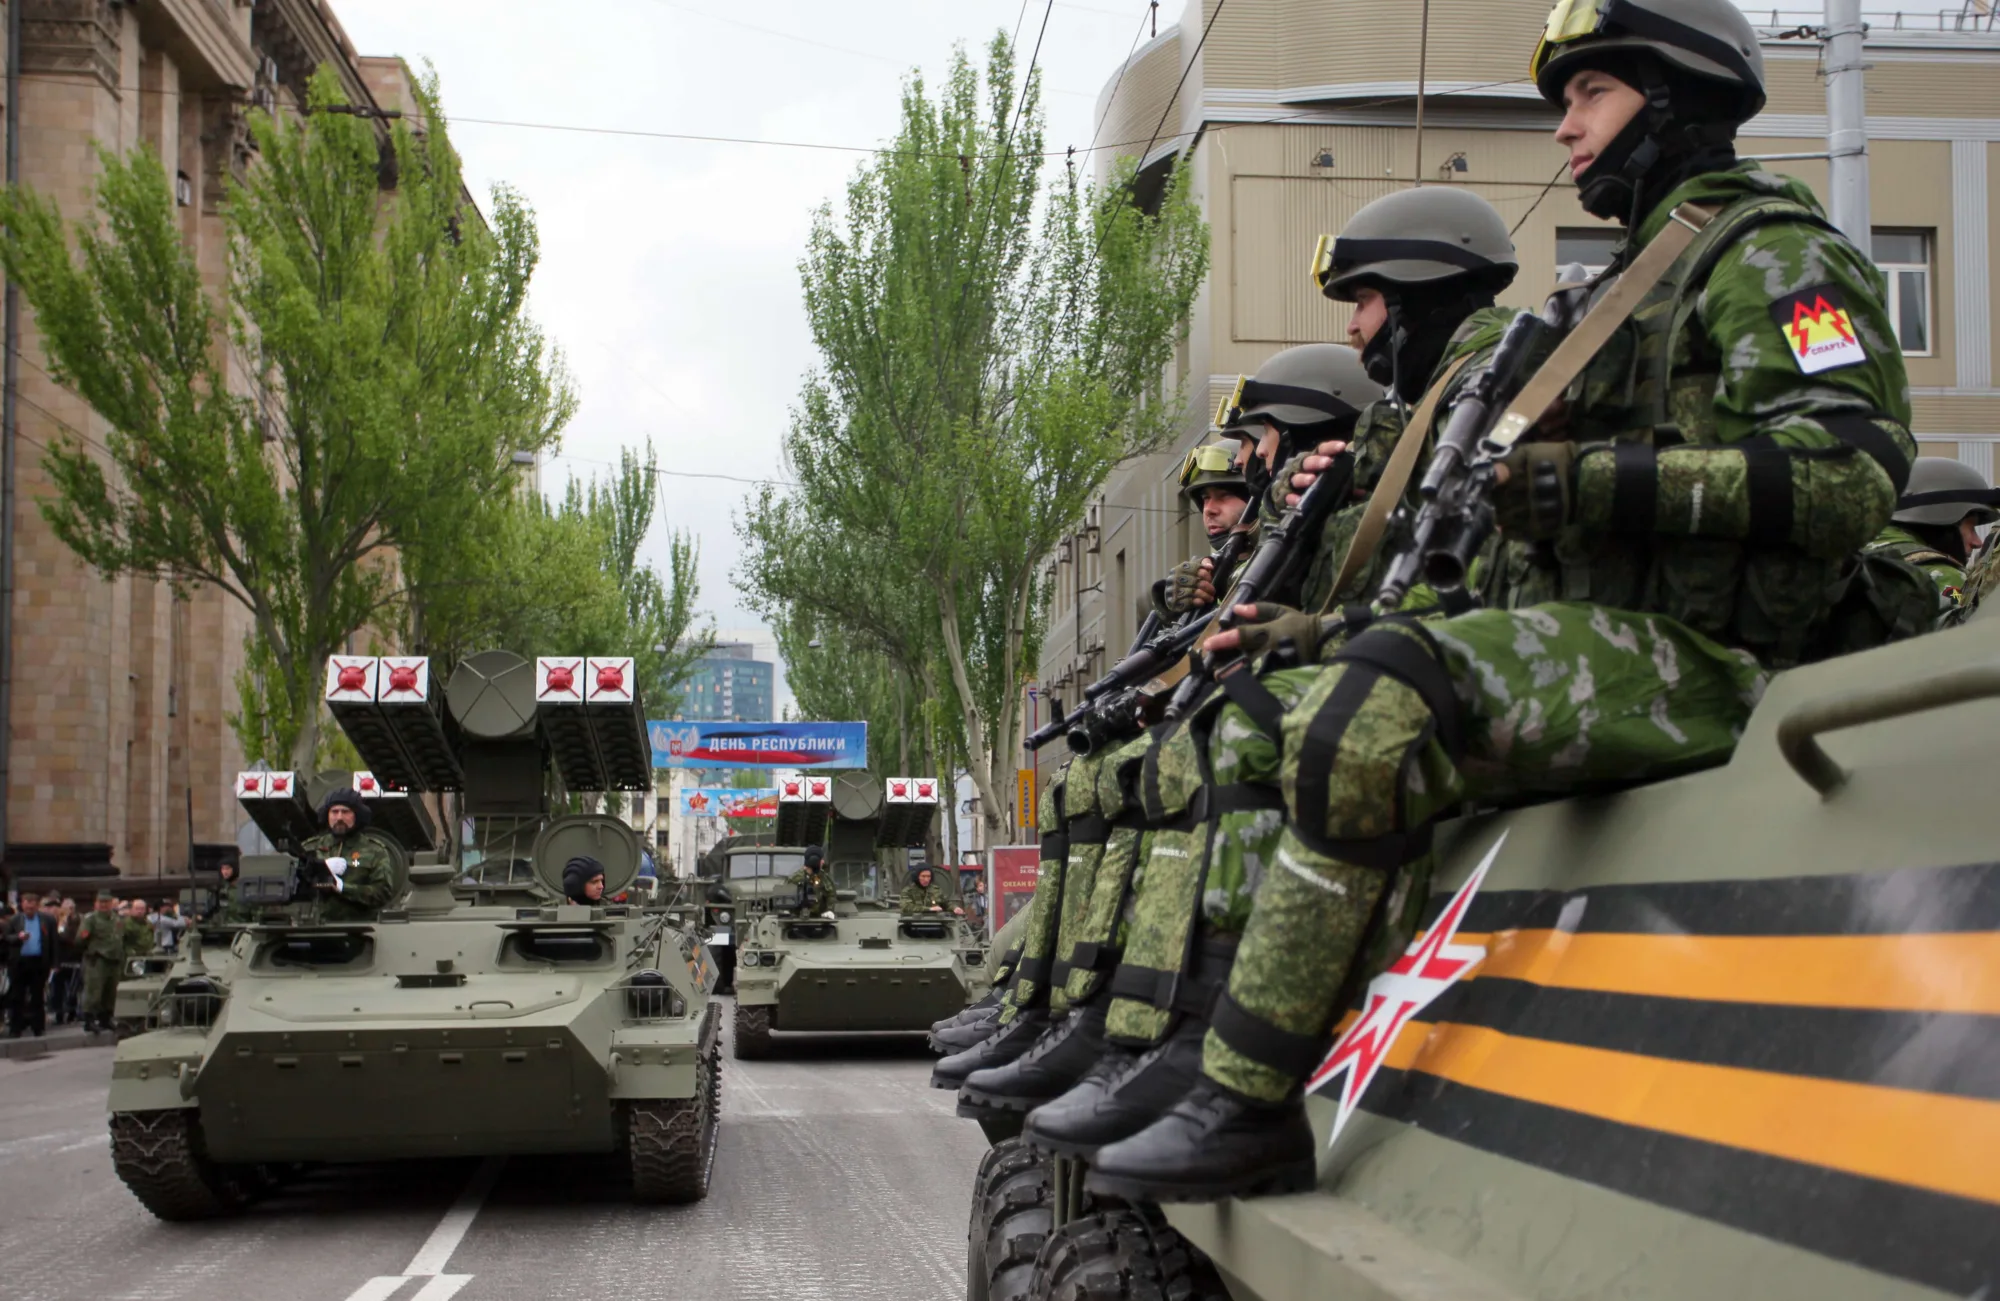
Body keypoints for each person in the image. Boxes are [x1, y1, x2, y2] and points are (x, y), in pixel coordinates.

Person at [1084, 0, 1916, 1203]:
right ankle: (1201, 1054)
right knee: (1280, 712)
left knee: (1371, 715)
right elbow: (1499, 568)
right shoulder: (1624, 285)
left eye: (1589, 95)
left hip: (1714, 653)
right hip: (1608, 635)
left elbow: (1847, 478)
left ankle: (1252, 1099)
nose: (1565, 129)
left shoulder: (1775, 259)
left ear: (1674, 96)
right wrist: (1320, 628)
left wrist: (1590, 480)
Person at [1864, 456, 1998, 619]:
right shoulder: (1942, 575)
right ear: (1940, 520)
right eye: (1970, 527)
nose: (1977, 542)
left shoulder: (1852, 551)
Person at [1155, 441, 1254, 616]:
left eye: (1224, 495)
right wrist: (1177, 608)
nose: (1209, 509)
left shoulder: (1290, 556)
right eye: (1205, 498)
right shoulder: (1212, 570)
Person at [300, 788, 396, 922]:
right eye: (334, 812)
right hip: (312, 927)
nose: (339, 817)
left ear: (356, 815)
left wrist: (343, 887)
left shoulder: (374, 850)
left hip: (356, 929)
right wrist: (318, 868)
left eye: (345, 812)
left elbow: (382, 893)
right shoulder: (310, 848)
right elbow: (293, 883)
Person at [6, 893, 58, 1038]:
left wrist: (55, 963)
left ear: (37, 905)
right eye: (27, 902)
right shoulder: (15, 920)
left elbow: (54, 942)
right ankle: (16, 1028)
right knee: (17, 996)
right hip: (19, 962)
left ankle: (38, 1027)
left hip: (39, 962)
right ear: (22, 904)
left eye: (33, 902)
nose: (30, 905)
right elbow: (6, 937)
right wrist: (18, 937)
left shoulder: (47, 920)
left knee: (37, 995)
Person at [77, 893, 126, 1035]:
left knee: (110, 991)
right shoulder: (91, 919)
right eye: (101, 902)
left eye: (107, 902)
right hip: (97, 959)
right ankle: (89, 1020)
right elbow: (80, 939)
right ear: (96, 903)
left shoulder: (116, 919)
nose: (104, 905)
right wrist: (91, 950)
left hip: (114, 959)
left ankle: (106, 1018)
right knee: (94, 990)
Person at [50, 897, 82, 1025]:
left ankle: (71, 1012)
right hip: (59, 959)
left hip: (73, 958)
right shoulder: (55, 921)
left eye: (70, 908)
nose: (68, 910)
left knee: (72, 988)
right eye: (65, 908)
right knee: (58, 988)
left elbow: (71, 938)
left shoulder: (77, 921)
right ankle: (59, 1013)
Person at [787, 847, 837, 917]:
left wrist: (830, 910)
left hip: (819, 917)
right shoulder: (796, 878)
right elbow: (786, 898)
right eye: (821, 860)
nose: (823, 862)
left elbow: (831, 894)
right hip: (798, 917)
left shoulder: (823, 877)